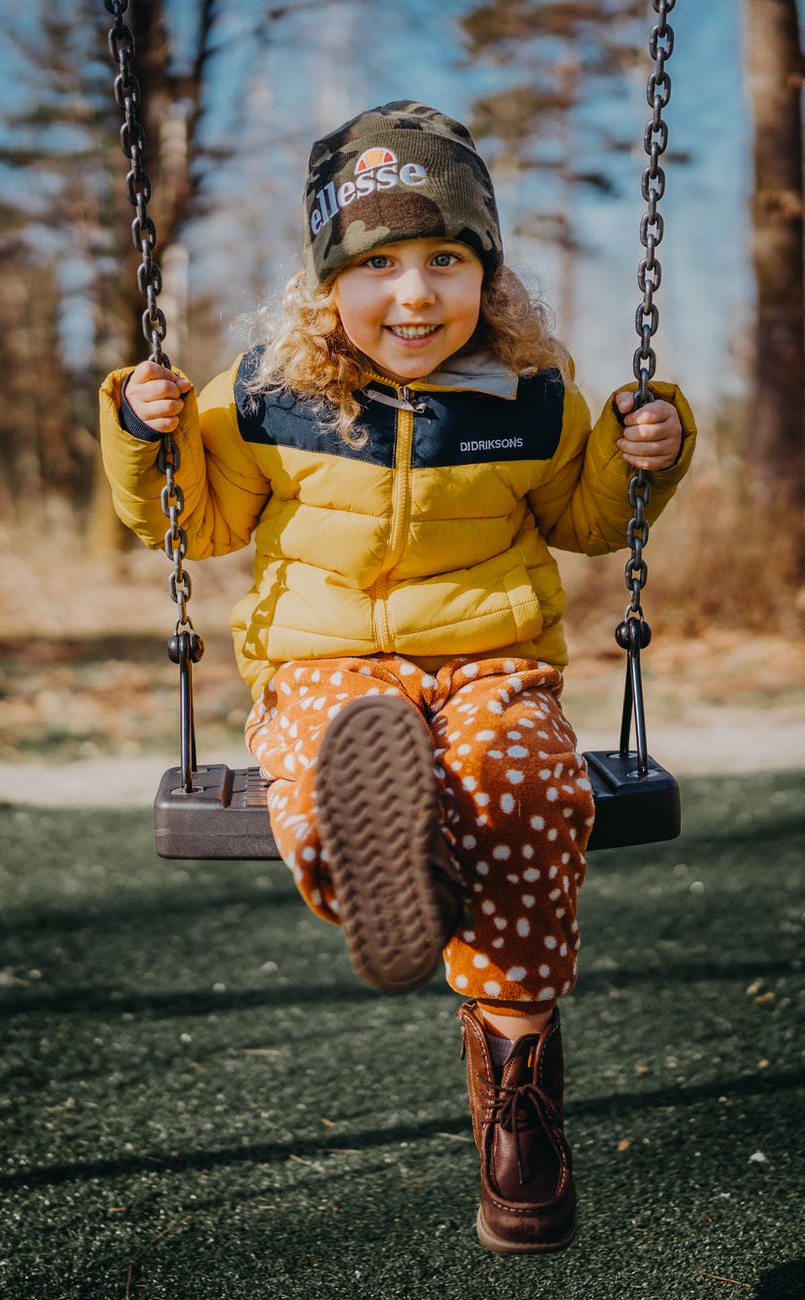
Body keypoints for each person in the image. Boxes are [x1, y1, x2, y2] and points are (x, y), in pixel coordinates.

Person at [99, 101, 696, 1254]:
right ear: (327, 281)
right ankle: (400, 863)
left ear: (487, 275)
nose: (414, 294)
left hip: (490, 661)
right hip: (327, 664)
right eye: (376, 263)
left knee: (525, 785)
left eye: (445, 260)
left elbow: (583, 520)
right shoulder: (268, 390)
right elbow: (202, 519)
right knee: (332, 768)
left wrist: (647, 456)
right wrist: (144, 430)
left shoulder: (530, 393)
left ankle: (517, 1104)